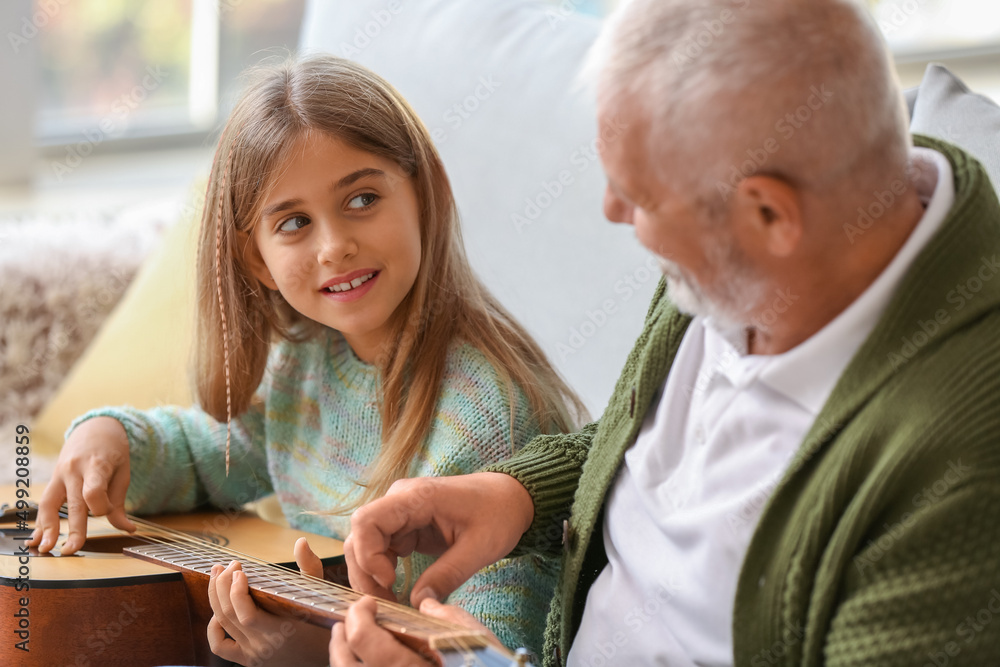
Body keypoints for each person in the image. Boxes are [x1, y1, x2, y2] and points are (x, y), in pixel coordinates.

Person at [330, 0, 1000, 665]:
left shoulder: (960, 474)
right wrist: (515, 496)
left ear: (769, 214)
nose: (613, 210)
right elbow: (663, 452)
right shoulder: (747, 254)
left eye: (641, 198)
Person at [28, 54, 586, 664]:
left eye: (363, 198)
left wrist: (309, 655)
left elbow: (497, 650)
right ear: (257, 261)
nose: (334, 246)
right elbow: (210, 456)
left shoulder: (493, 414)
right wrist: (113, 438)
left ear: (424, 198)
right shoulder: (306, 363)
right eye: (294, 222)